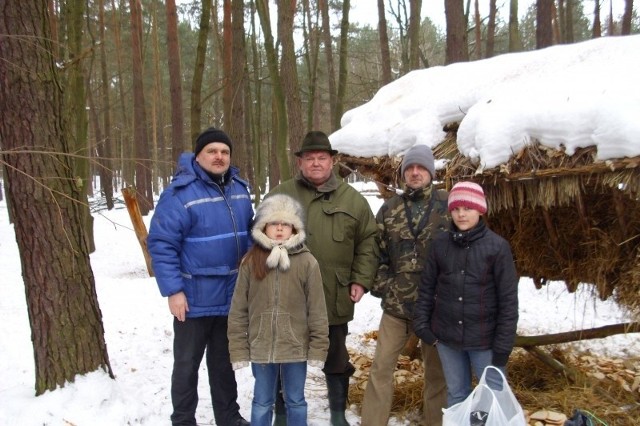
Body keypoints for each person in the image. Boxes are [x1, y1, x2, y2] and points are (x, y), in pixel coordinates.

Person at [269, 131, 379, 426]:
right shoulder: (281, 196)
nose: (315, 163)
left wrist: (361, 279)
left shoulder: (352, 200)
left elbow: (369, 242)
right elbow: (258, 239)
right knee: (283, 356)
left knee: (335, 358)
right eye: (309, 158)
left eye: (321, 158)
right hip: (288, 296)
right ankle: (281, 413)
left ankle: (337, 413)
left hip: (334, 293)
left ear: (332, 161)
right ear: (301, 162)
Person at [147, 127, 252, 426]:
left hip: (230, 296)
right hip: (192, 300)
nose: (219, 157)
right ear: (198, 155)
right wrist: (173, 291)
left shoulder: (240, 190)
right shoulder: (179, 195)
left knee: (223, 364)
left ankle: (228, 417)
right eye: (212, 151)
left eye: (224, 152)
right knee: (186, 366)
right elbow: (162, 244)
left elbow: (251, 233)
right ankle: (183, 420)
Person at [361, 144, 449, 426]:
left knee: (437, 373)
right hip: (397, 308)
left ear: (430, 172)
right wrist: (387, 286)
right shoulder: (389, 209)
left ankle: (435, 421)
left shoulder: (447, 207)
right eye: (409, 168)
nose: (414, 172)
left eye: (420, 167)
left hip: (436, 308)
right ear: (402, 174)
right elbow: (376, 254)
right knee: (381, 368)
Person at [413, 181, 519, 407]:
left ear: (480, 209)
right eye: (456, 209)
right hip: (448, 339)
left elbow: (508, 301)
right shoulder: (440, 244)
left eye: (467, 209)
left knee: (493, 399)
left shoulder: (497, 247)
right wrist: (422, 325)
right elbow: (427, 288)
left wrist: (502, 346)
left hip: (485, 341)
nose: (461, 215)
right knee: (457, 395)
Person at [227, 194, 329, 426]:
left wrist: (318, 349)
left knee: (296, 400)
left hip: (295, 346)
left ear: (294, 228)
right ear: (264, 226)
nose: (280, 229)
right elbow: (238, 310)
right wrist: (239, 350)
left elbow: (318, 311)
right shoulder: (250, 262)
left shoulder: (306, 262)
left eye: (285, 224)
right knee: (262, 401)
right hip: (261, 346)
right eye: (274, 223)